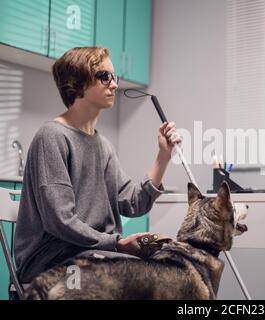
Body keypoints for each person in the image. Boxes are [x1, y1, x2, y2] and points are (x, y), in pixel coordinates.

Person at [14, 47, 181, 283]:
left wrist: (163, 156)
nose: (113, 84)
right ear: (77, 83)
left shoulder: (103, 145)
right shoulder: (52, 137)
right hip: (50, 260)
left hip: (92, 253)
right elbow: (60, 221)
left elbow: (134, 203)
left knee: (162, 274)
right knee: (141, 279)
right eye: (104, 76)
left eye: (114, 77)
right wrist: (117, 244)